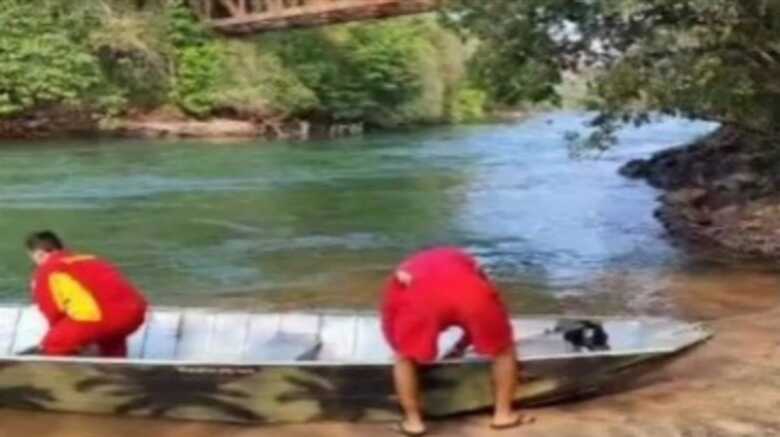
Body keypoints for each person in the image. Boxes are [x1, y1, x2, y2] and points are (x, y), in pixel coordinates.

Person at [381, 247, 532, 436]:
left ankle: (413, 422)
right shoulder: (468, 261)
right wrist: (483, 340)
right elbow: (492, 299)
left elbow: (388, 316)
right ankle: (503, 415)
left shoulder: (405, 270)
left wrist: (399, 348)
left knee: (404, 358)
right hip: (472, 295)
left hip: (423, 300)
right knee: (504, 351)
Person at [23, 231, 147, 357]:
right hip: (135, 314)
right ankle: (116, 363)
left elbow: (53, 312)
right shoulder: (92, 259)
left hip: (98, 317)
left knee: (53, 343)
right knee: (110, 339)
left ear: (39, 254)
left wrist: (59, 336)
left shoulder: (47, 270)